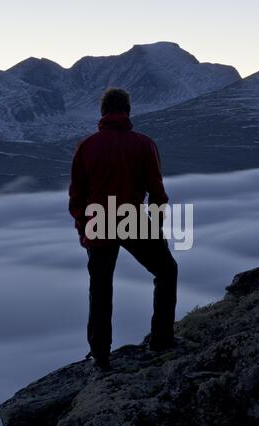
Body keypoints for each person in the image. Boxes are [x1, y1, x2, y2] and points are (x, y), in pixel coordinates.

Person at [69, 88, 178, 370]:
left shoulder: (86, 146)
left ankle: (101, 356)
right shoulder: (143, 144)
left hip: (98, 221)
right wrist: (156, 227)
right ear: (128, 111)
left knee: (101, 288)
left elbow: (77, 196)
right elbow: (157, 192)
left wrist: (84, 228)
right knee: (166, 271)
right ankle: (162, 339)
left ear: (102, 112)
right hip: (132, 218)